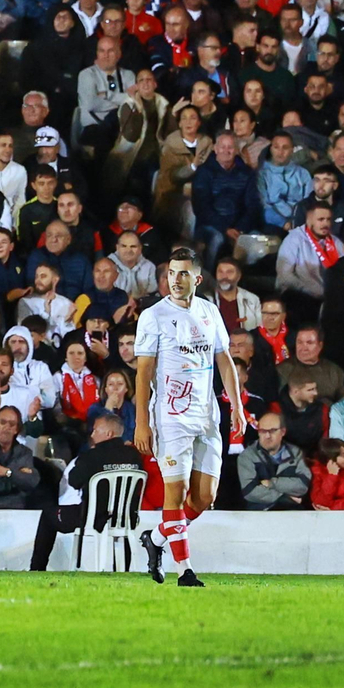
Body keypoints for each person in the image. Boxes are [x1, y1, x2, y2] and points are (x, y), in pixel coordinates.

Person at [135, 248, 243, 588]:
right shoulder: (153, 316)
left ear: (196, 278)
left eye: (183, 273)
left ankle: (156, 538)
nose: (176, 280)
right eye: (171, 273)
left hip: (207, 414)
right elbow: (143, 374)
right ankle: (185, 570)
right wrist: (142, 421)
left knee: (204, 498)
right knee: (176, 494)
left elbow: (224, 360)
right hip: (171, 416)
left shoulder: (209, 311)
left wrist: (236, 405)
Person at [29, 410, 144, 570]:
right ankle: (123, 568)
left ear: (109, 433)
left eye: (96, 430)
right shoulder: (134, 455)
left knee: (49, 516)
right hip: (125, 518)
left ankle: (36, 568)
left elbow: (75, 481)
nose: (92, 434)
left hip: (92, 518)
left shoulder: (92, 456)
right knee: (118, 527)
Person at [236, 411, 312, 510]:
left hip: (291, 512)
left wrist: (272, 483)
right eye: (263, 431)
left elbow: (303, 485)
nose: (267, 436)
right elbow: (250, 491)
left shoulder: (295, 453)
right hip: (259, 512)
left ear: (283, 432)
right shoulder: (247, 456)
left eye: (272, 431)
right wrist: (284, 498)